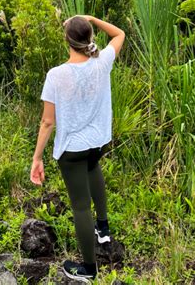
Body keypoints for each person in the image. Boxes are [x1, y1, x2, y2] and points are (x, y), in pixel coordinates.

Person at [30, 14, 125, 283]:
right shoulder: (102, 62)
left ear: (67, 41)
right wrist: (92, 18)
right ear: (90, 37)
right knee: (94, 168)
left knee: (80, 207)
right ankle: (103, 228)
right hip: (98, 142)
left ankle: (89, 269)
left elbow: (48, 122)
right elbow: (119, 35)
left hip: (72, 150)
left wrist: (37, 158)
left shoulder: (56, 75)